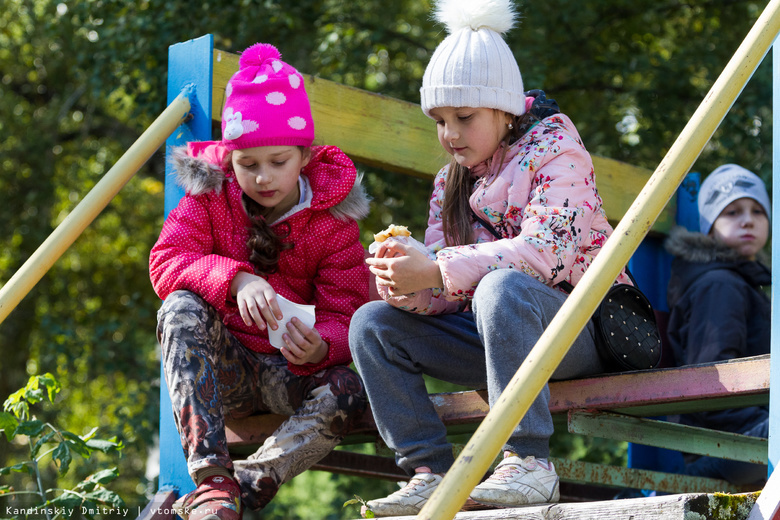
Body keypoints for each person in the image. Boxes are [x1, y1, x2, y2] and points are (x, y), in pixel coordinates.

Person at [348, 0, 631, 516]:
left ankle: (528, 461)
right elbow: (450, 294)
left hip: (576, 327)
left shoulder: (559, 153)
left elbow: (546, 254)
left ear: (505, 109)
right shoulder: (450, 181)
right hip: (496, 332)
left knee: (502, 286)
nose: (450, 134)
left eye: (464, 117)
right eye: (438, 120)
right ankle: (428, 470)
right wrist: (410, 286)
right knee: (372, 323)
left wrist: (437, 267)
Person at [149, 42, 370, 519]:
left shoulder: (331, 221)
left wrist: (323, 345)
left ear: (305, 155)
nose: (264, 177)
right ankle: (210, 480)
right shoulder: (212, 197)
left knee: (348, 391)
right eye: (248, 165)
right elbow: (167, 260)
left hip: (286, 372)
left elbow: (347, 309)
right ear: (230, 159)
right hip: (224, 367)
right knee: (179, 306)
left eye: (278, 162)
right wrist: (236, 278)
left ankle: (248, 485)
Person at [665, 164, 770, 487]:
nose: (748, 219)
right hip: (725, 447)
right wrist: (769, 424)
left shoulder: (746, 284)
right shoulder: (719, 285)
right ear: (709, 227)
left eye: (757, 210)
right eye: (732, 212)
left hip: (745, 438)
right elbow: (713, 382)